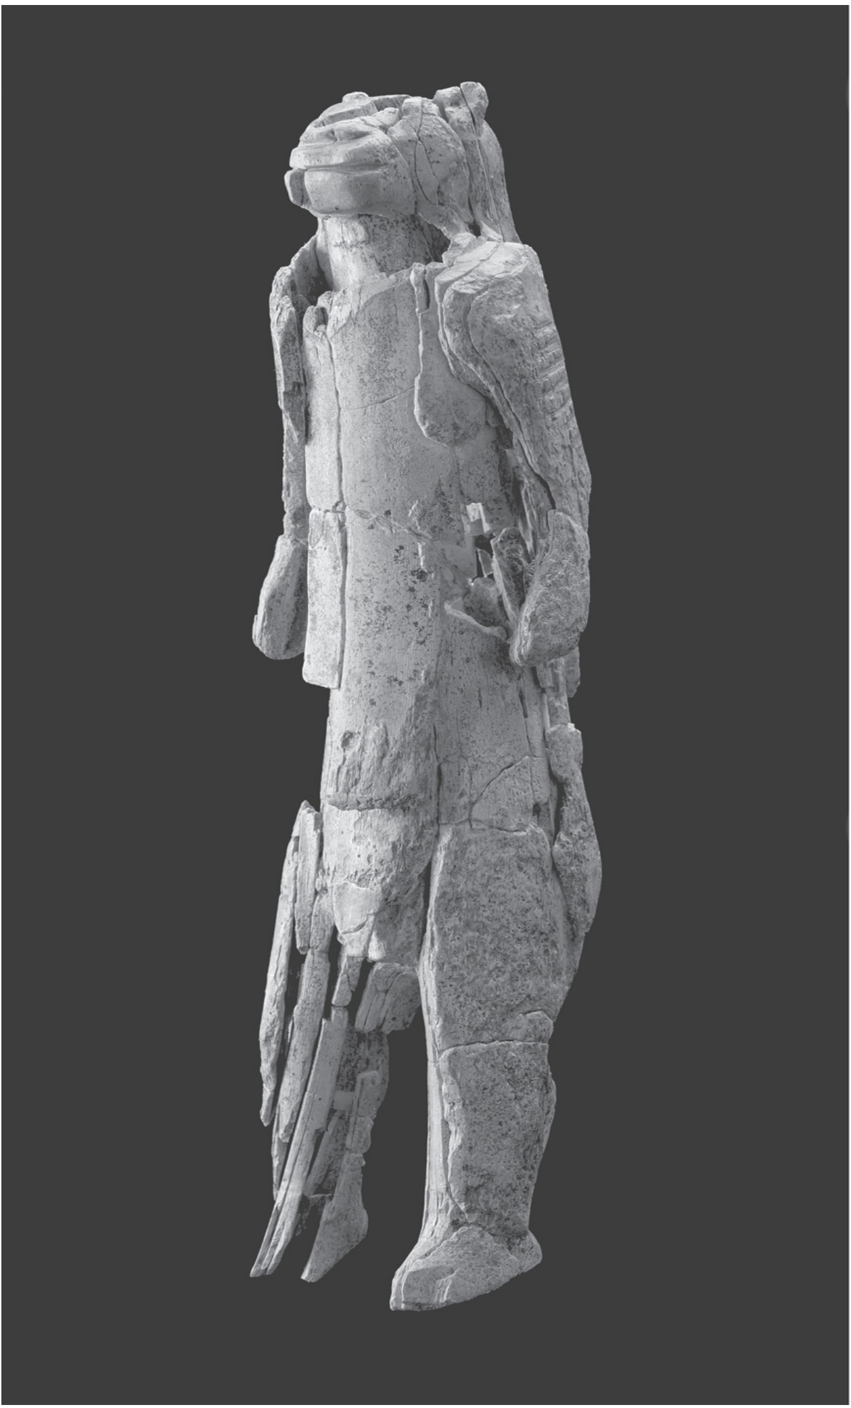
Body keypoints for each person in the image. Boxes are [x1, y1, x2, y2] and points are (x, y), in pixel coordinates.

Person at [250, 84, 601, 1310]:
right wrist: (292, 558)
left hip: (476, 672)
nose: (353, 126)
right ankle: (323, 1186)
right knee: (350, 911)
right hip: (364, 678)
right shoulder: (304, 299)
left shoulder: (486, 288)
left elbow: (558, 473)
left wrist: (553, 597)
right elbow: (304, 459)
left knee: (481, 922)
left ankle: (481, 1218)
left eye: (388, 120)